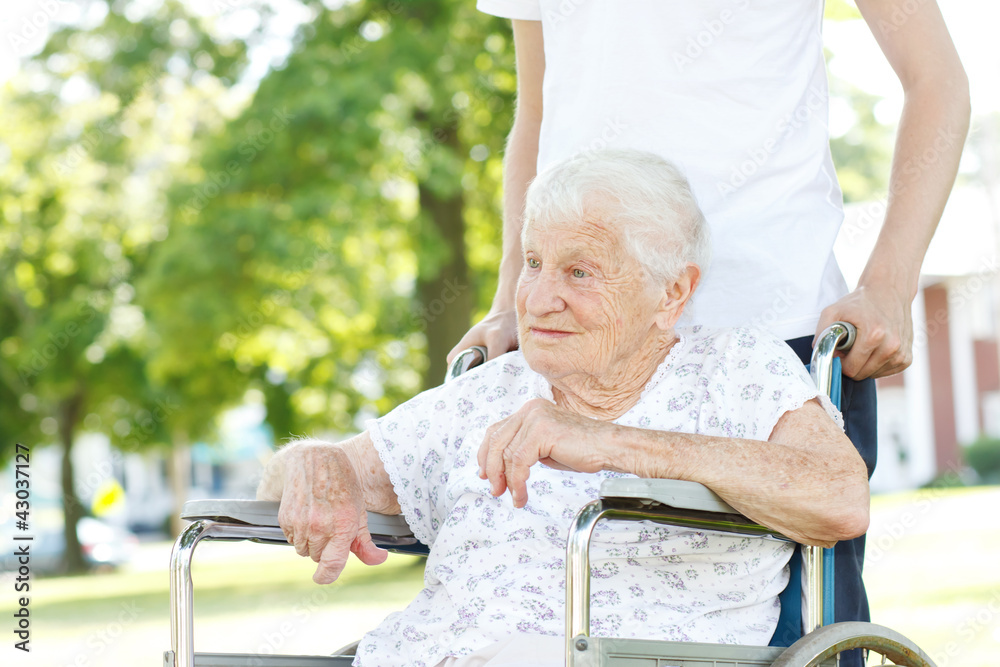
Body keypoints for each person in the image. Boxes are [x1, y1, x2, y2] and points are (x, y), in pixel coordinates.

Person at [451, 2, 970, 651]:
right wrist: (511, 297)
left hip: (774, 331)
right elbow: (537, 111)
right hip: (589, 340)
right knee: (569, 631)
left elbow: (937, 80)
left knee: (793, 645)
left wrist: (890, 283)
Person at [257, 149, 870, 667]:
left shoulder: (735, 369)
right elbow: (281, 487)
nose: (541, 298)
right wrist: (317, 463)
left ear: (673, 291)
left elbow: (840, 498)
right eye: (532, 264)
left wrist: (615, 444)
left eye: (579, 272)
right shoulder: (490, 390)